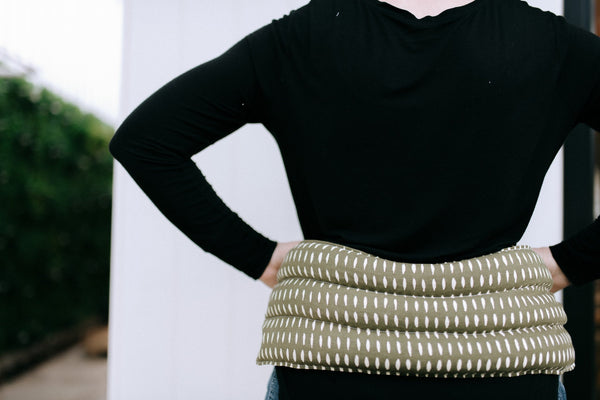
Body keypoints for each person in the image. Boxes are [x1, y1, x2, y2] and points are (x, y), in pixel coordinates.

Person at [108, 0, 600, 398]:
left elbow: (147, 140)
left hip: (328, 378)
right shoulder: (551, 44)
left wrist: (260, 258)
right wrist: (567, 263)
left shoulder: (302, 37)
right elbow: (147, 143)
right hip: (503, 376)